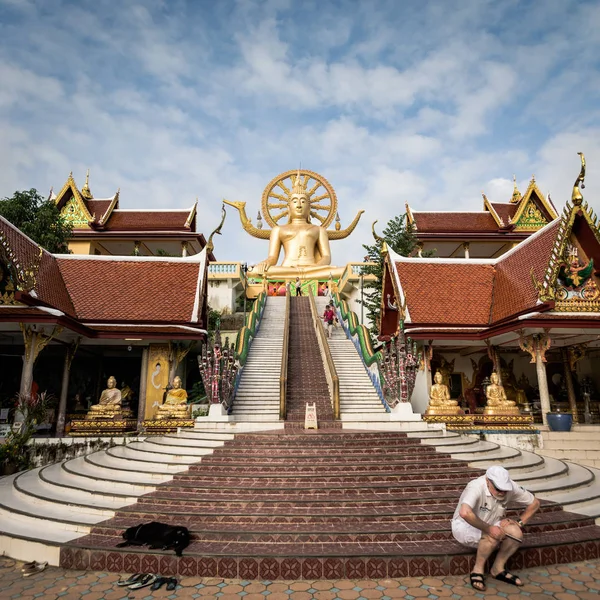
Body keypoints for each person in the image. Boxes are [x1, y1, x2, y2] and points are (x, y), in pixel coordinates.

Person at [452, 465, 540, 591]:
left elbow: (535, 503)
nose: (502, 492)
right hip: (465, 525)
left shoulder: (511, 487)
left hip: (492, 524)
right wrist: (488, 529)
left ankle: (498, 569)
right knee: (493, 535)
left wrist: (519, 522)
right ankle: (477, 570)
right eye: (498, 488)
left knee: (516, 533)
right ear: (488, 481)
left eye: (505, 489)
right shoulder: (476, 486)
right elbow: (465, 513)